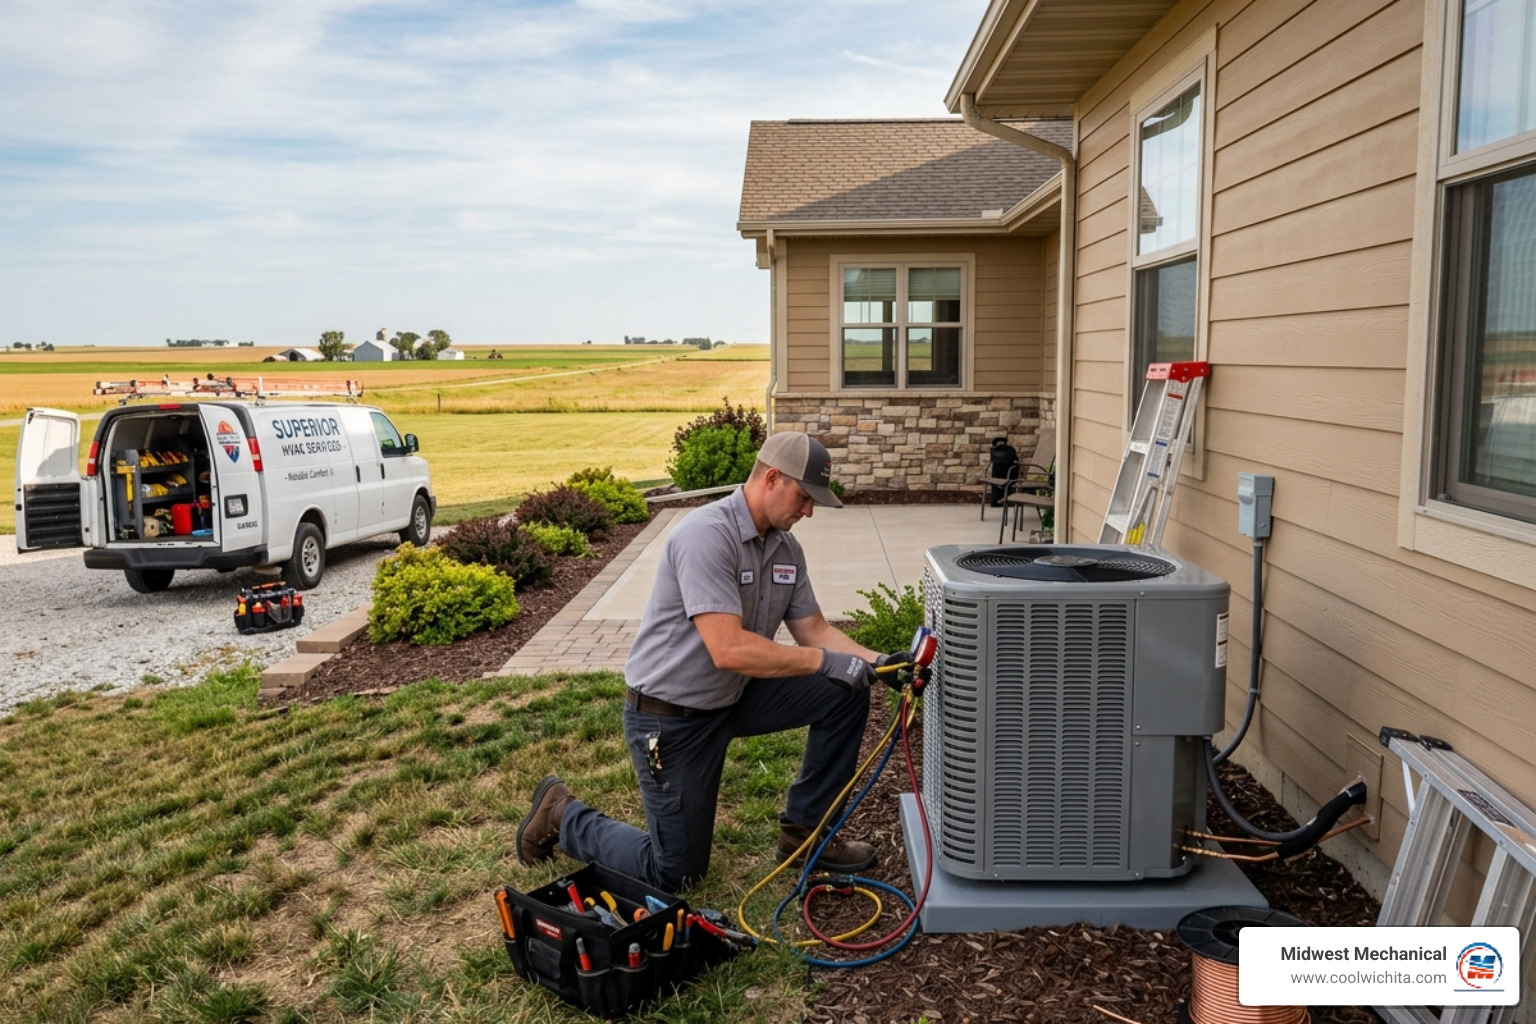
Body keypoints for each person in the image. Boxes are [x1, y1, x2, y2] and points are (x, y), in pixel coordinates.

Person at [515, 431, 892, 891]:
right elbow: (728, 648)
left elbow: (814, 629)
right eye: (805, 496)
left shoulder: (786, 548)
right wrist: (823, 662)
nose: (809, 510)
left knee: (843, 690)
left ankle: (806, 836)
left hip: (734, 696)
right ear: (772, 478)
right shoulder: (705, 535)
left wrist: (884, 662)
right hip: (670, 719)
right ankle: (562, 813)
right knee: (675, 872)